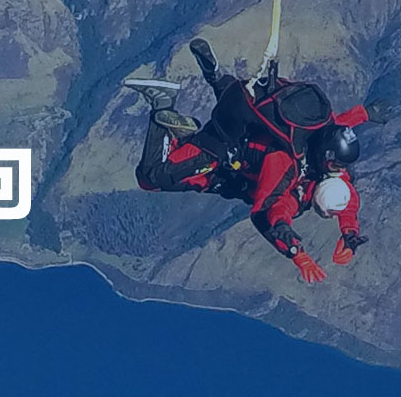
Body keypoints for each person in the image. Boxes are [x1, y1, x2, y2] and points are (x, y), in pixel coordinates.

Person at [128, 38, 370, 283]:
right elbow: (267, 211)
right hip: (221, 151)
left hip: (237, 136)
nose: (340, 170)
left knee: (233, 113)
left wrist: (350, 233)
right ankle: (163, 102)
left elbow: (347, 198)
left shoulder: (320, 145)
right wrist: (295, 251)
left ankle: (215, 76)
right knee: (152, 177)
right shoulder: (286, 167)